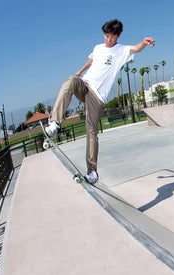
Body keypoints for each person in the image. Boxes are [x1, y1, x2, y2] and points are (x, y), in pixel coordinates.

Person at [45, 19, 155, 183]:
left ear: (118, 35)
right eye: (106, 36)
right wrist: (80, 71)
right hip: (85, 85)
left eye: (111, 37)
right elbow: (92, 60)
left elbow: (135, 48)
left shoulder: (121, 50)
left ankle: (92, 172)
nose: (108, 40)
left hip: (97, 96)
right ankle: (55, 124)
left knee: (91, 131)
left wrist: (144, 43)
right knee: (70, 81)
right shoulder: (98, 48)